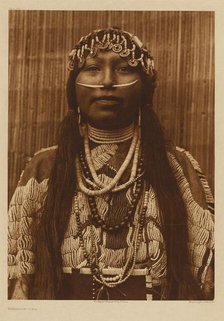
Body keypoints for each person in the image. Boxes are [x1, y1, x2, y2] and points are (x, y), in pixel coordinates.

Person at [8, 27, 214, 300]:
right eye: (92, 68)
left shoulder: (177, 166)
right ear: (74, 87)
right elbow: (18, 287)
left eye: (124, 68)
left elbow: (206, 283)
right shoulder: (44, 168)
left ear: (144, 87)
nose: (107, 81)